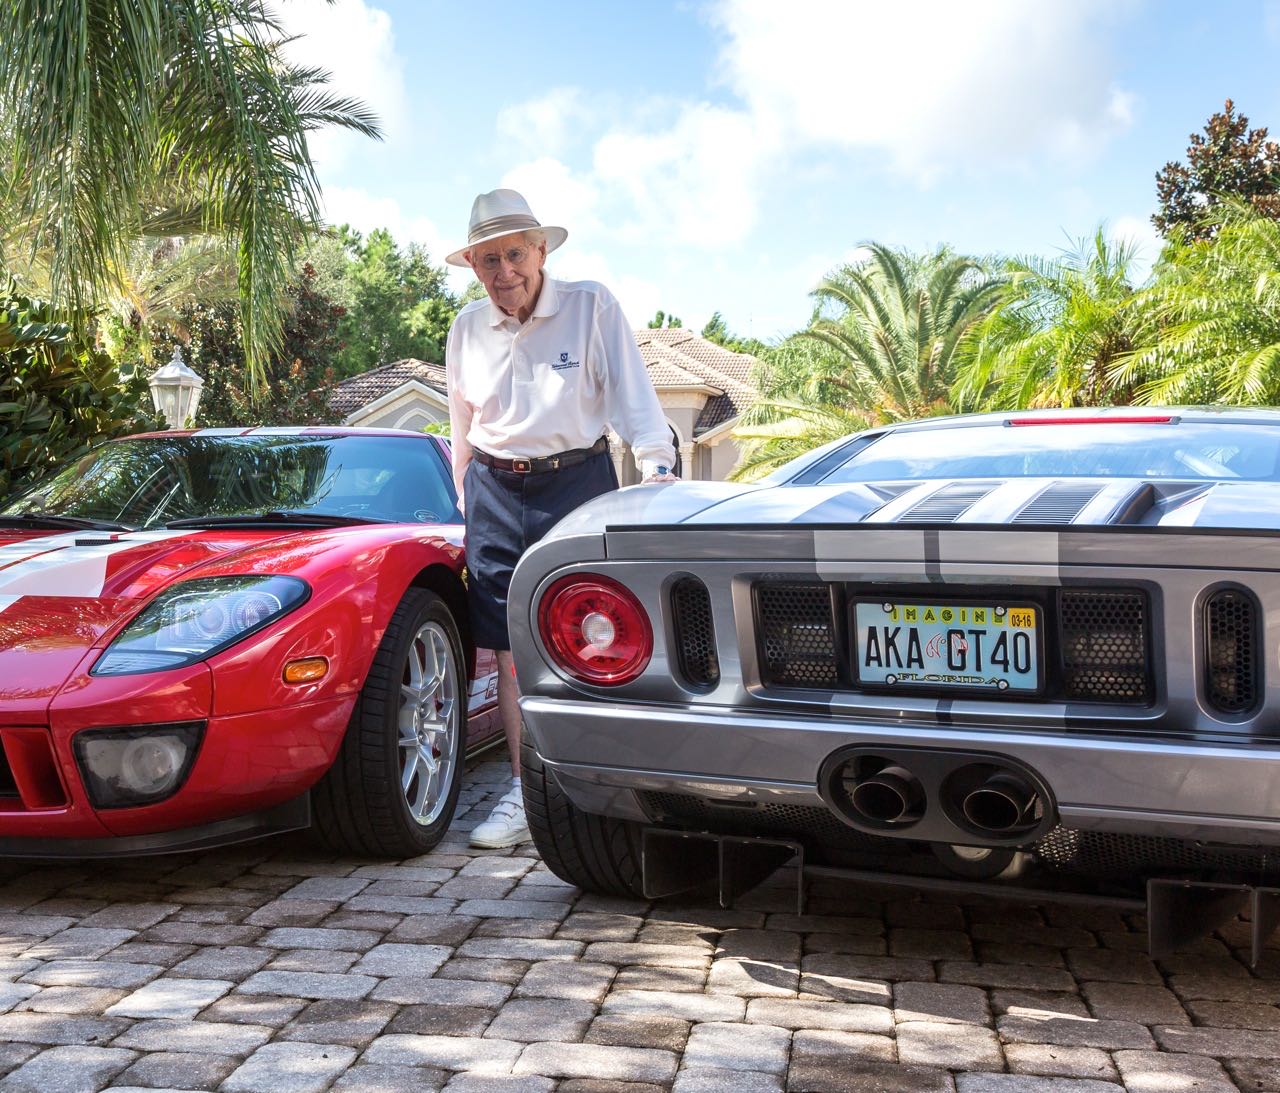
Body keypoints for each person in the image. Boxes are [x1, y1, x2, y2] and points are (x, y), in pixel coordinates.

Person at [445, 188, 677, 848]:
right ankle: (528, 794)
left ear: (541, 251)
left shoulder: (590, 305)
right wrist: (467, 499)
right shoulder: (465, 328)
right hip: (494, 489)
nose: (504, 272)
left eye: (514, 254)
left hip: (577, 482)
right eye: (489, 260)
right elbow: (461, 427)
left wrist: (657, 469)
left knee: (597, 637)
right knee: (511, 652)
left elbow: (634, 400)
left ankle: (605, 787)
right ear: (473, 267)